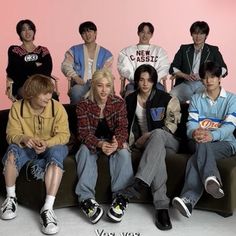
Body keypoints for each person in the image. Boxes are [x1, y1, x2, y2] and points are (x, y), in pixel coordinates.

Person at [0, 74, 70, 235]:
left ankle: (47, 209)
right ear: (31, 93)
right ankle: (11, 199)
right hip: (26, 147)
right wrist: (24, 138)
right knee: (12, 150)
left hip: (51, 146)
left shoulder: (57, 107)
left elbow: (64, 135)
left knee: (57, 153)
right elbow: (11, 134)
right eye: (44, 93)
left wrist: (48, 143)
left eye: (50, 92)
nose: (49, 96)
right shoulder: (17, 107)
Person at [172, 61, 236, 218]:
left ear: (220, 78)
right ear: (201, 79)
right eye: (205, 77)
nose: (209, 81)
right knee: (201, 143)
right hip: (198, 140)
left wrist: (212, 135)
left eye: (213, 76)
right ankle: (210, 178)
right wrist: (194, 133)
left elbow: (230, 126)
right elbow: (191, 124)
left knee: (197, 158)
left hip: (225, 143)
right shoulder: (196, 99)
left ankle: (188, 200)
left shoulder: (232, 99)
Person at [125, 64, 181, 230]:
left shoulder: (167, 98)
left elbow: (172, 125)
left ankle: (140, 181)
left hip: (169, 141)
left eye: (149, 80)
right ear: (136, 81)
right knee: (157, 154)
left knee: (157, 135)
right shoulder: (129, 99)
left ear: (154, 81)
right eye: (141, 79)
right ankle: (162, 208)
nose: (145, 83)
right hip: (144, 146)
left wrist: (148, 135)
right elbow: (124, 125)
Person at [75, 68, 133, 224]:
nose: (104, 90)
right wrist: (100, 144)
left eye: (108, 86)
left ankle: (121, 198)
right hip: (93, 141)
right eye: (100, 85)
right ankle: (86, 200)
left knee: (124, 153)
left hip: (112, 140)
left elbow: (122, 128)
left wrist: (116, 143)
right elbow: (84, 134)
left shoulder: (118, 102)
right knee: (84, 151)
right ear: (94, 85)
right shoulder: (83, 104)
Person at [169, 21, 228, 103]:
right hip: (186, 83)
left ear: (206, 35)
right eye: (195, 33)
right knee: (171, 95)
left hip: (204, 84)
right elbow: (173, 67)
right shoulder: (184, 49)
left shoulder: (213, 50)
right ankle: (176, 116)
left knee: (204, 99)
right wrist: (185, 75)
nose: (198, 36)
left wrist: (204, 76)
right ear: (191, 34)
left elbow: (224, 69)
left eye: (201, 34)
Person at [61, 21, 113, 104]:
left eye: (89, 31)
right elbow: (65, 66)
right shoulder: (74, 50)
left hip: (99, 84)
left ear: (95, 33)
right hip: (81, 83)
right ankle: (76, 116)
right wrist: (75, 77)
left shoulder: (106, 54)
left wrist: (98, 83)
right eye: (84, 32)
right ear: (81, 36)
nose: (87, 34)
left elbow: (107, 72)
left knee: (108, 94)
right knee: (75, 92)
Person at [6, 19, 58, 101]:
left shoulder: (43, 50)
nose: (27, 32)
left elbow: (47, 69)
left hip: (42, 85)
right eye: (23, 30)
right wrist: (36, 65)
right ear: (19, 33)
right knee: (35, 97)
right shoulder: (14, 50)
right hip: (23, 86)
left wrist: (26, 66)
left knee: (53, 96)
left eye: (30, 29)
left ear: (34, 31)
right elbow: (14, 70)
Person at [117, 22, 169, 97]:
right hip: (134, 84)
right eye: (142, 32)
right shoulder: (126, 52)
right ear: (138, 33)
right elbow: (124, 69)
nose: (145, 36)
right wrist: (139, 81)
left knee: (161, 97)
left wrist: (150, 81)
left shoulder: (159, 51)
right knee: (130, 97)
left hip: (155, 84)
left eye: (148, 33)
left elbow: (164, 68)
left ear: (151, 35)